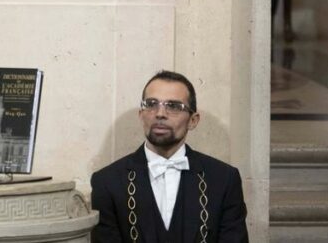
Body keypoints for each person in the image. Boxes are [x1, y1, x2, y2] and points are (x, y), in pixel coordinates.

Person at [90, 71, 249, 242]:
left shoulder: (224, 179)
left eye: (173, 106)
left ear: (193, 120)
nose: (160, 113)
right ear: (141, 115)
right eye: (151, 104)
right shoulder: (107, 182)